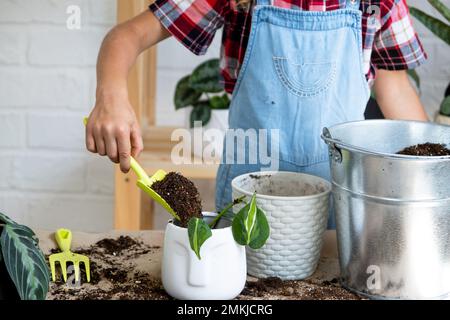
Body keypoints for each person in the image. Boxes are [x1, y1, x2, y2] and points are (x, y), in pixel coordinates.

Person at [86, 0, 428, 227]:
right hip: (247, 200)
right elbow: (128, 35)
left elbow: (394, 87)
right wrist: (111, 95)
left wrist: (434, 173)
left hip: (340, 205)